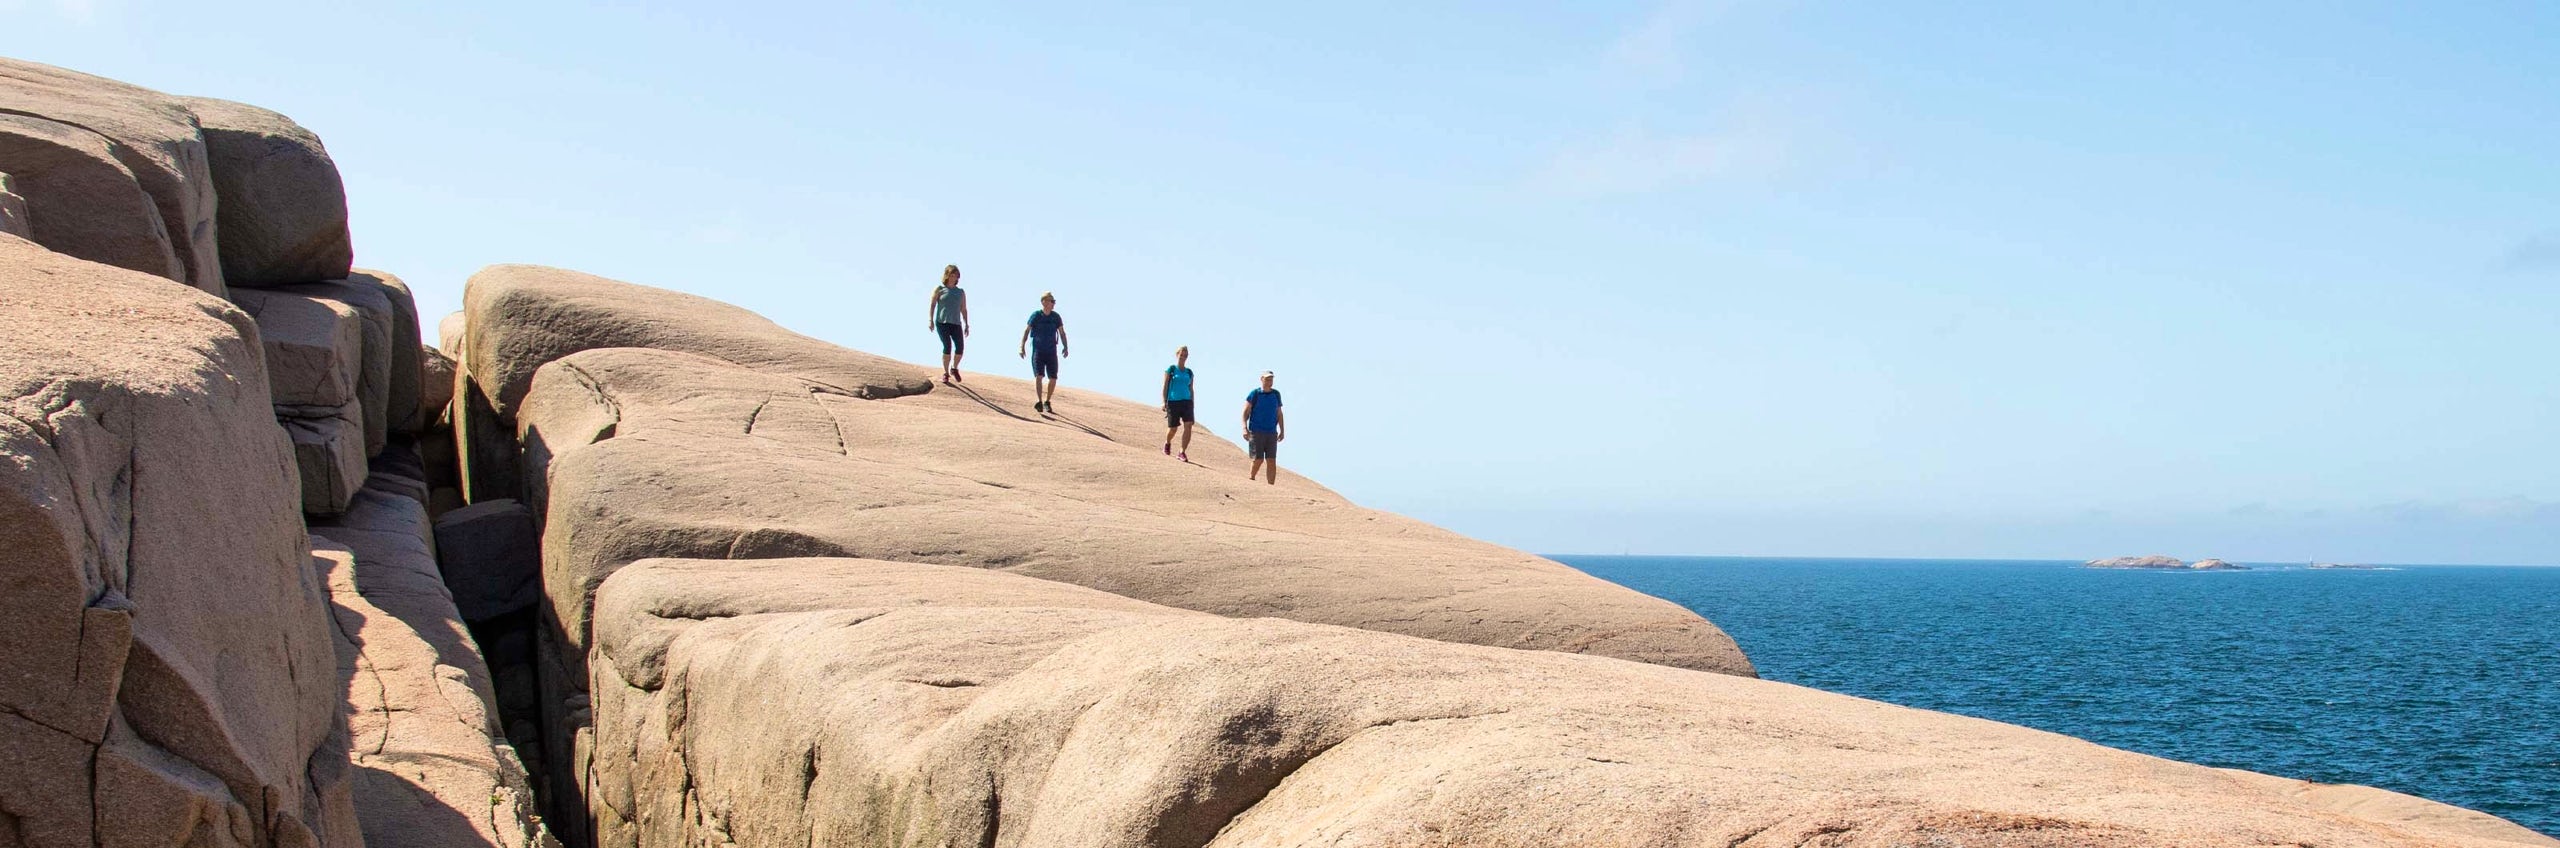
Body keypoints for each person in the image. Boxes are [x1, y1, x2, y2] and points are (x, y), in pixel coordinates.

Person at [1017, 291, 1068, 412]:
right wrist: (1022, 346)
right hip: (1038, 351)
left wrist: (1065, 346)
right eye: (1051, 301)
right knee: (1039, 376)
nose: (1053, 304)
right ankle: (1039, 401)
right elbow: (1027, 331)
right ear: (1044, 302)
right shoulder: (1036, 316)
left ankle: (1047, 401)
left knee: (1053, 378)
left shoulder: (1056, 317)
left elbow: (1062, 333)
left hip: (1051, 352)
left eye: (1054, 301)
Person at [927, 265, 969, 383]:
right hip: (942, 322)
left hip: (956, 323)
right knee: (947, 346)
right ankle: (945, 373)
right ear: (947, 276)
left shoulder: (960, 292)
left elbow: (963, 309)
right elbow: (933, 304)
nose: (953, 278)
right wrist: (930, 320)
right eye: (951, 275)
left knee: (960, 348)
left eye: (955, 276)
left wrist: (966, 324)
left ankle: (954, 368)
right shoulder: (940, 289)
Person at [1242, 370, 1283, 484]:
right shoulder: (1255, 394)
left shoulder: (1276, 394)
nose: (1269, 381)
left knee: (1271, 460)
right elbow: (1245, 412)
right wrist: (1244, 428)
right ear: (1262, 379)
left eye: (1271, 379)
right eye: (1267, 379)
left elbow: (1279, 413)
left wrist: (1282, 430)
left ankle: (1271, 485)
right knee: (1258, 459)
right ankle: (1251, 477)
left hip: (1271, 432)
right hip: (1256, 431)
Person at [1162, 346, 1195, 460]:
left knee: (1188, 425)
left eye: (1185, 355)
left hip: (1187, 401)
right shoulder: (1171, 369)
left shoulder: (1189, 372)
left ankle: (1182, 452)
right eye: (1181, 354)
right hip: (1173, 401)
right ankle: (1167, 443)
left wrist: (1193, 405)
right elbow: (1165, 385)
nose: (1183, 357)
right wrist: (1164, 401)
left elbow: (1191, 389)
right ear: (1177, 355)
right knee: (1173, 428)